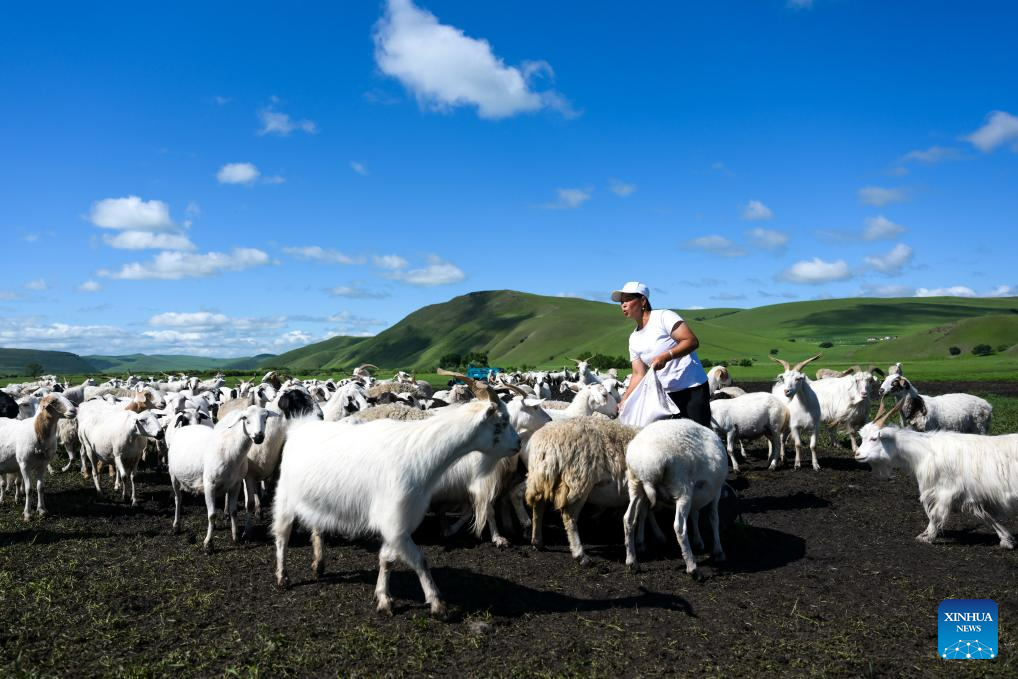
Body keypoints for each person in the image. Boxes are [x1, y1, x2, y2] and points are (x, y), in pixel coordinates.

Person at [612, 281, 711, 427]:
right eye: (621, 302)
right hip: (664, 396)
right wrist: (625, 399)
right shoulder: (634, 338)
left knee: (698, 439)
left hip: (691, 389)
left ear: (643, 301)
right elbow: (638, 374)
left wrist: (667, 356)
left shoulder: (664, 317)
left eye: (627, 299)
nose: (623, 305)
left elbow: (690, 341)